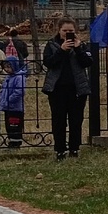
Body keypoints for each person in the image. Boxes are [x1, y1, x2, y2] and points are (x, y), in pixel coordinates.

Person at [42, 19, 92, 160]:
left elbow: (88, 62)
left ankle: (74, 148)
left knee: (76, 120)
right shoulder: (51, 45)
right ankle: (60, 150)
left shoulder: (81, 45)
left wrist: (78, 48)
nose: (68, 33)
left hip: (77, 89)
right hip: (57, 89)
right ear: (59, 30)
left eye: (71, 31)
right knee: (59, 120)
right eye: (65, 31)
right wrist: (61, 50)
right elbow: (48, 62)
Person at [0, 49, 26, 148]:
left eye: (9, 67)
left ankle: (16, 142)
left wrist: (9, 99)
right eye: (5, 67)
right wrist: (1, 98)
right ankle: (11, 140)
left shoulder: (19, 77)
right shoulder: (8, 78)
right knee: (9, 125)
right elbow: (3, 89)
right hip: (7, 106)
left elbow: (19, 91)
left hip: (15, 107)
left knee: (15, 125)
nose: (7, 69)